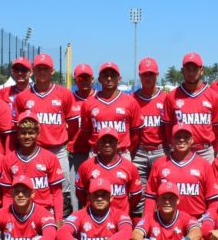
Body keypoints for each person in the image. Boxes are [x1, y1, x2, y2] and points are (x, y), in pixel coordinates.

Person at [15, 54, 79, 218]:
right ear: (33, 71)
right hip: (32, 151)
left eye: (46, 68)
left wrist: (64, 139)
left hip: (58, 150)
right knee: (33, 188)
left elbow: (73, 124)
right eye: (39, 68)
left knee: (63, 189)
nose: (42, 72)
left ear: (52, 71)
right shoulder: (23, 97)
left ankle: (61, 225)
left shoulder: (64, 94)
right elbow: (18, 126)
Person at [144, 124, 218, 218]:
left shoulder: (204, 165)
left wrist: (208, 221)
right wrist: (147, 220)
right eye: (178, 137)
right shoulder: (159, 164)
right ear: (171, 140)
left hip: (197, 220)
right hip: (166, 221)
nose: (181, 140)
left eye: (186, 137)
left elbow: (213, 200)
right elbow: (150, 197)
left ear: (192, 140)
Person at [0, 111, 64, 223]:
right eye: (23, 133)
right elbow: (7, 195)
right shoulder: (8, 160)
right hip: (18, 215)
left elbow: (57, 193)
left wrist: (58, 220)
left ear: (38, 134)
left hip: (45, 212)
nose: (27, 136)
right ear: (18, 135)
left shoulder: (50, 158)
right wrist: (7, 219)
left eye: (31, 133)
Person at [162, 53, 218, 163]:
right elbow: (167, 128)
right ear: (182, 71)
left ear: (201, 71)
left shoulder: (213, 96)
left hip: (205, 152)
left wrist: (214, 149)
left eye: (195, 69)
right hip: (180, 151)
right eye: (188, 69)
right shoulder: (171, 96)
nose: (191, 73)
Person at [75, 127, 142, 221]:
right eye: (103, 141)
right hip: (93, 220)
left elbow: (136, 195)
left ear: (118, 144)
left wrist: (125, 210)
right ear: (97, 144)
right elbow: (80, 192)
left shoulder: (130, 167)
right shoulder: (86, 166)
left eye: (111, 141)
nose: (107, 144)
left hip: (120, 220)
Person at [80, 62, 143, 160]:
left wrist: (126, 149)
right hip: (96, 154)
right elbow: (86, 133)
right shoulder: (88, 103)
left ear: (119, 79)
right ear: (99, 79)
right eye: (105, 75)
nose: (109, 78)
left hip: (122, 153)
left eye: (113, 75)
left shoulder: (130, 102)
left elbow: (136, 134)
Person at [132, 57, 168, 216]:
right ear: (139, 75)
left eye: (151, 74)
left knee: (161, 192)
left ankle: (158, 226)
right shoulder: (132, 99)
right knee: (138, 194)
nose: (148, 78)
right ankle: (139, 226)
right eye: (144, 74)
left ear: (157, 75)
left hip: (160, 150)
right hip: (139, 151)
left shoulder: (166, 98)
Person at [68, 64, 96, 212]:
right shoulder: (69, 99)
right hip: (77, 152)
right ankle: (76, 219)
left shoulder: (99, 97)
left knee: (95, 189)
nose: (84, 81)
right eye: (80, 78)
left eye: (87, 78)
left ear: (93, 79)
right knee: (75, 190)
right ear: (75, 80)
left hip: (96, 152)